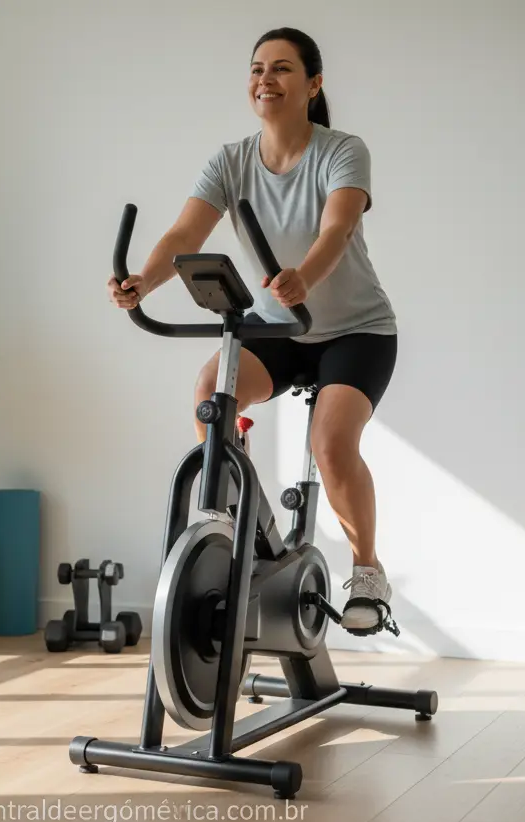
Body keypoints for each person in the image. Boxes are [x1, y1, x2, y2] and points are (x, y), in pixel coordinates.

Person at [106, 27, 399, 636]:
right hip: (280, 327)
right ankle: (252, 527)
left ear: (313, 85)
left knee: (331, 444)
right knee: (213, 391)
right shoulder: (231, 161)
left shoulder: (342, 149)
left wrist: (304, 279)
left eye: (283, 69)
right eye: (257, 68)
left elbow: (337, 229)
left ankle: (367, 571)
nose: (265, 78)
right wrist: (143, 282)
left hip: (356, 332)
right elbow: (185, 237)